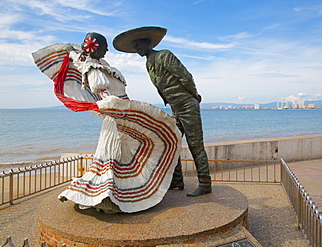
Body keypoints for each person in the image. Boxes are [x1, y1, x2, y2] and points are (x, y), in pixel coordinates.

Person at [32, 32, 182, 213]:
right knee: (116, 156)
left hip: (119, 115)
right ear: (96, 48)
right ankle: (108, 197)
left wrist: (75, 55)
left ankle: (113, 196)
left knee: (123, 155)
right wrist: (118, 108)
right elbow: (100, 90)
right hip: (115, 118)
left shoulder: (100, 66)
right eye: (105, 47)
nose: (108, 50)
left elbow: (83, 62)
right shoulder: (93, 69)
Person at [113, 27, 212, 197]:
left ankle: (205, 184)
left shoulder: (164, 55)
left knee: (195, 144)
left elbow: (185, 76)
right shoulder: (148, 64)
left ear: (148, 43)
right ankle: (177, 182)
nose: (137, 49)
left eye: (139, 45)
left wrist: (195, 96)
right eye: (134, 47)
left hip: (187, 105)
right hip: (175, 108)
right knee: (170, 143)